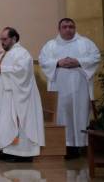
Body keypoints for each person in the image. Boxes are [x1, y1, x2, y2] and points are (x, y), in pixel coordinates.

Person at [38, 18, 100, 159]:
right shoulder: (51, 45)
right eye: (64, 27)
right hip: (59, 87)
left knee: (80, 113)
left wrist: (78, 61)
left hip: (80, 88)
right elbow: (43, 60)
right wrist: (58, 63)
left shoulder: (85, 43)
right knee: (62, 113)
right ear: (59, 29)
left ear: (75, 28)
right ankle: (65, 145)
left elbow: (95, 57)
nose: (68, 29)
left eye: (71, 26)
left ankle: (81, 145)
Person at [0, 27, 45, 162]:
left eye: (5, 39)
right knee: (6, 122)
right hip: (6, 96)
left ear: (14, 38)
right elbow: (0, 70)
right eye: (1, 39)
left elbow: (22, 72)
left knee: (17, 122)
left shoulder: (22, 53)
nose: (2, 42)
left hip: (18, 96)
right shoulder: (4, 54)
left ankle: (22, 153)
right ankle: (8, 150)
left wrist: (1, 69)